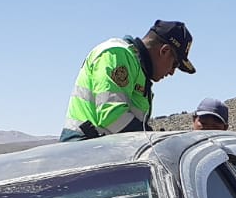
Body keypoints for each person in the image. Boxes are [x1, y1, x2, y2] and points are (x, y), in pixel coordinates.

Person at [60, 20, 195, 141]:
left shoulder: (139, 69)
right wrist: (153, 141)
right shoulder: (118, 54)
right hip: (82, 149)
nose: (171, 72)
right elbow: (112, 116)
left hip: (99, 150)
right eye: (174, 65)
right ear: (164, 51)